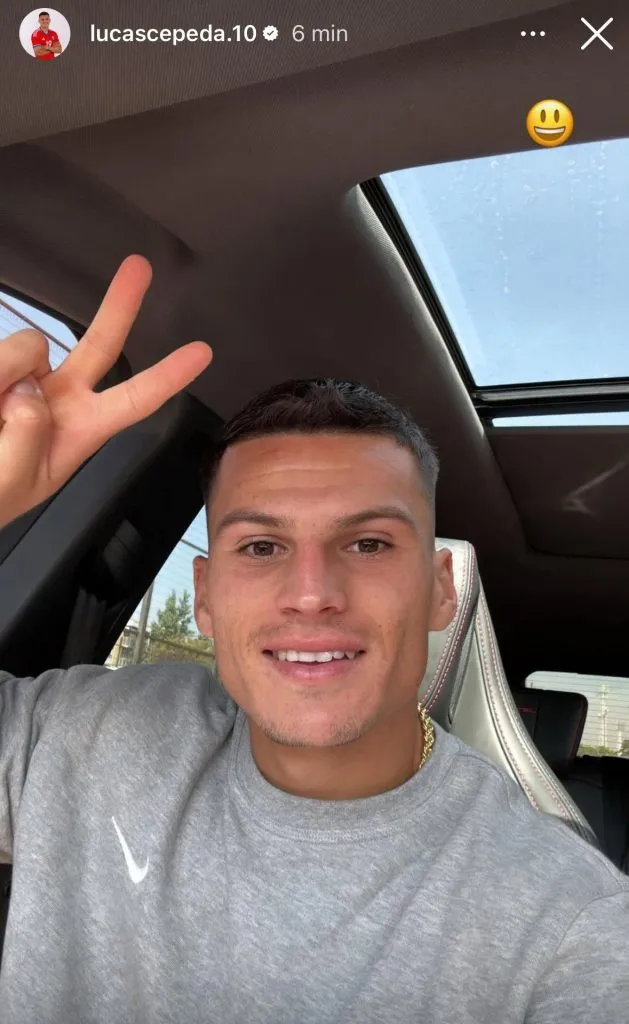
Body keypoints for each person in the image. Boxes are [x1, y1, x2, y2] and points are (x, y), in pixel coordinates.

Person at [0, 254, 627, 1023]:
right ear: (205, 596)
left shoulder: (568, 925)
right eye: (261, 546)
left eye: (367, 544)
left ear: (439, 589)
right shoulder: (80, 732)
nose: (310, 594)